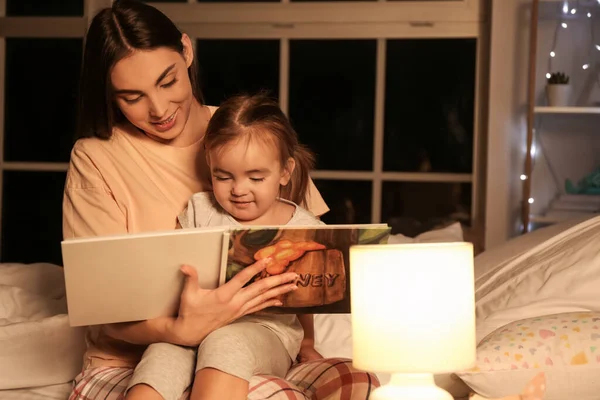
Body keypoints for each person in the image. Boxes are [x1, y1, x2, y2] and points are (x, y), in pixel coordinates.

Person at [64, 1, 379, 399]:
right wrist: (178, 329)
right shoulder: (96, 157)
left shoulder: (252, 135)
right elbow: (102, 308)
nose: (159, 109)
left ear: (187, 51)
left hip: (251, 344)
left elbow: (303, 265)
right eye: (132, 97)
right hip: (135, 358)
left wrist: (304, 346)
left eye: (167, 81)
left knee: (356, 379)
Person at [126, 93, 324, 400]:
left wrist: (308, 344)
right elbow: (171, 274)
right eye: (223, 176)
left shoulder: (303, 228)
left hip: (266, 331)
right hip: (195, 324)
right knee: (161, 354)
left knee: (227, 342)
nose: (239, 190)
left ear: (284, 172)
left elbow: (306, 299)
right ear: (210, 165)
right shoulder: (199, 210)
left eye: (256, 178)